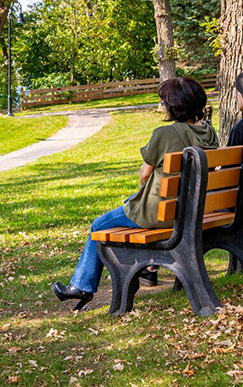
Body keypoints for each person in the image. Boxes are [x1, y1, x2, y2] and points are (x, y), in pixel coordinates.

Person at [52, 77, 219, 310]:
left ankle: (82, 286)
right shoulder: (210, 134)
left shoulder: (165, 134)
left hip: (158, 214)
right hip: (191, 211)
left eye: (164, 102)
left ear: (173, 106)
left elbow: (143, 175)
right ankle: (146, 271)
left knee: (99, 224)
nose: (162, 106)